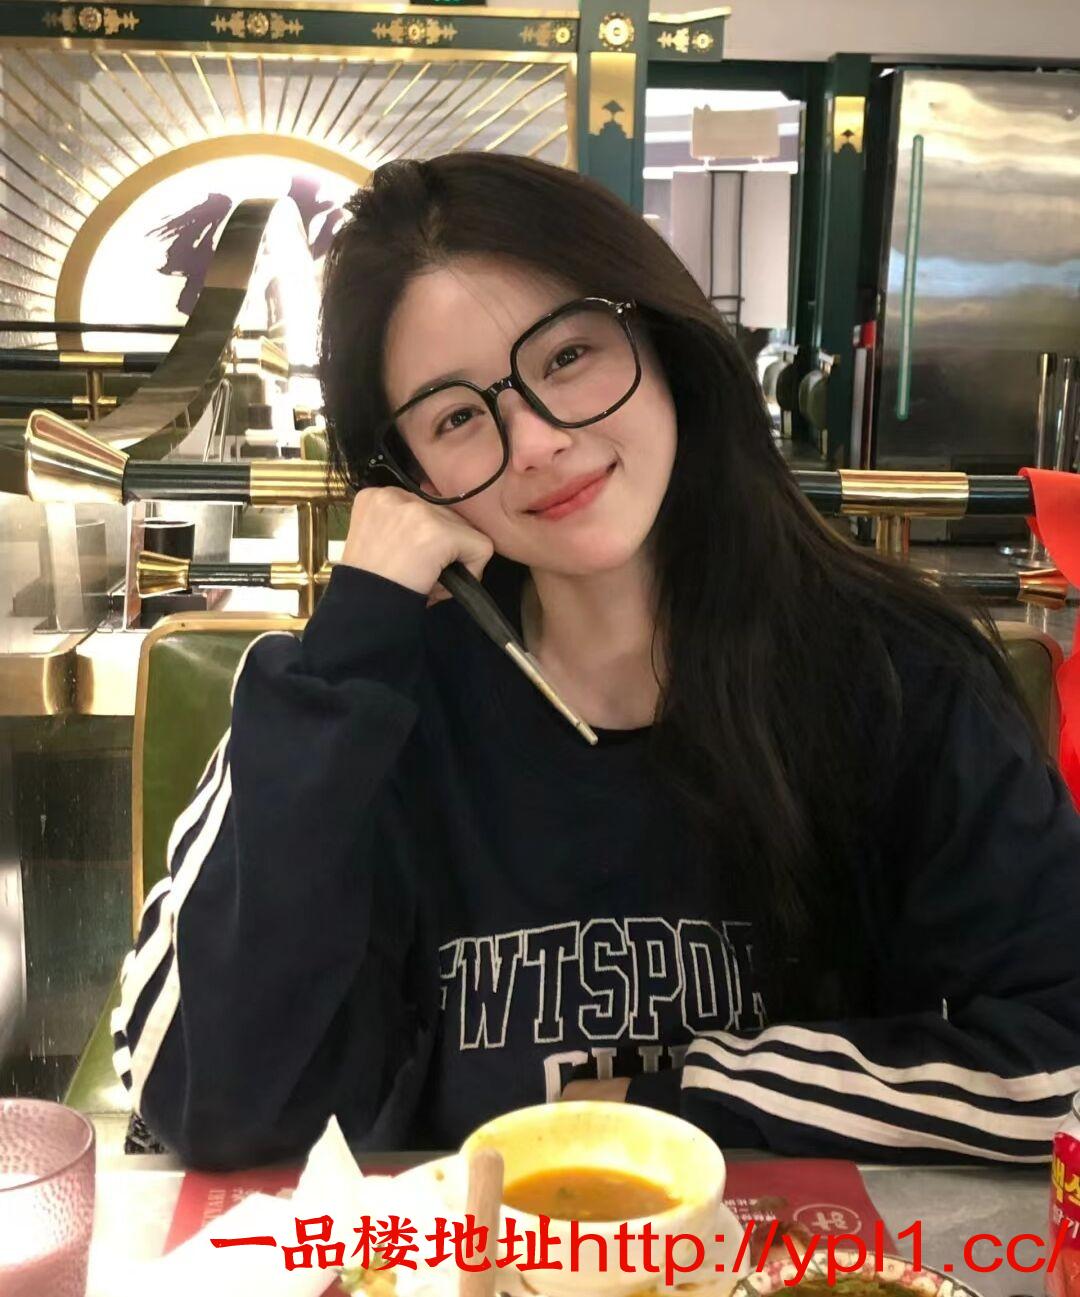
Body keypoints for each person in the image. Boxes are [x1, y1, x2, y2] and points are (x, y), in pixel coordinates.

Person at [113, 153, 1080, 1170]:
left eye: (567, 355)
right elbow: (193, 1091)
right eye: (455, 416)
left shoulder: (898, 677)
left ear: (661, 339)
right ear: (408, 475)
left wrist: (684, 1098)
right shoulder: (352, 701)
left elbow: (1060, 1064)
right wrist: (350, 651)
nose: (534, 441)